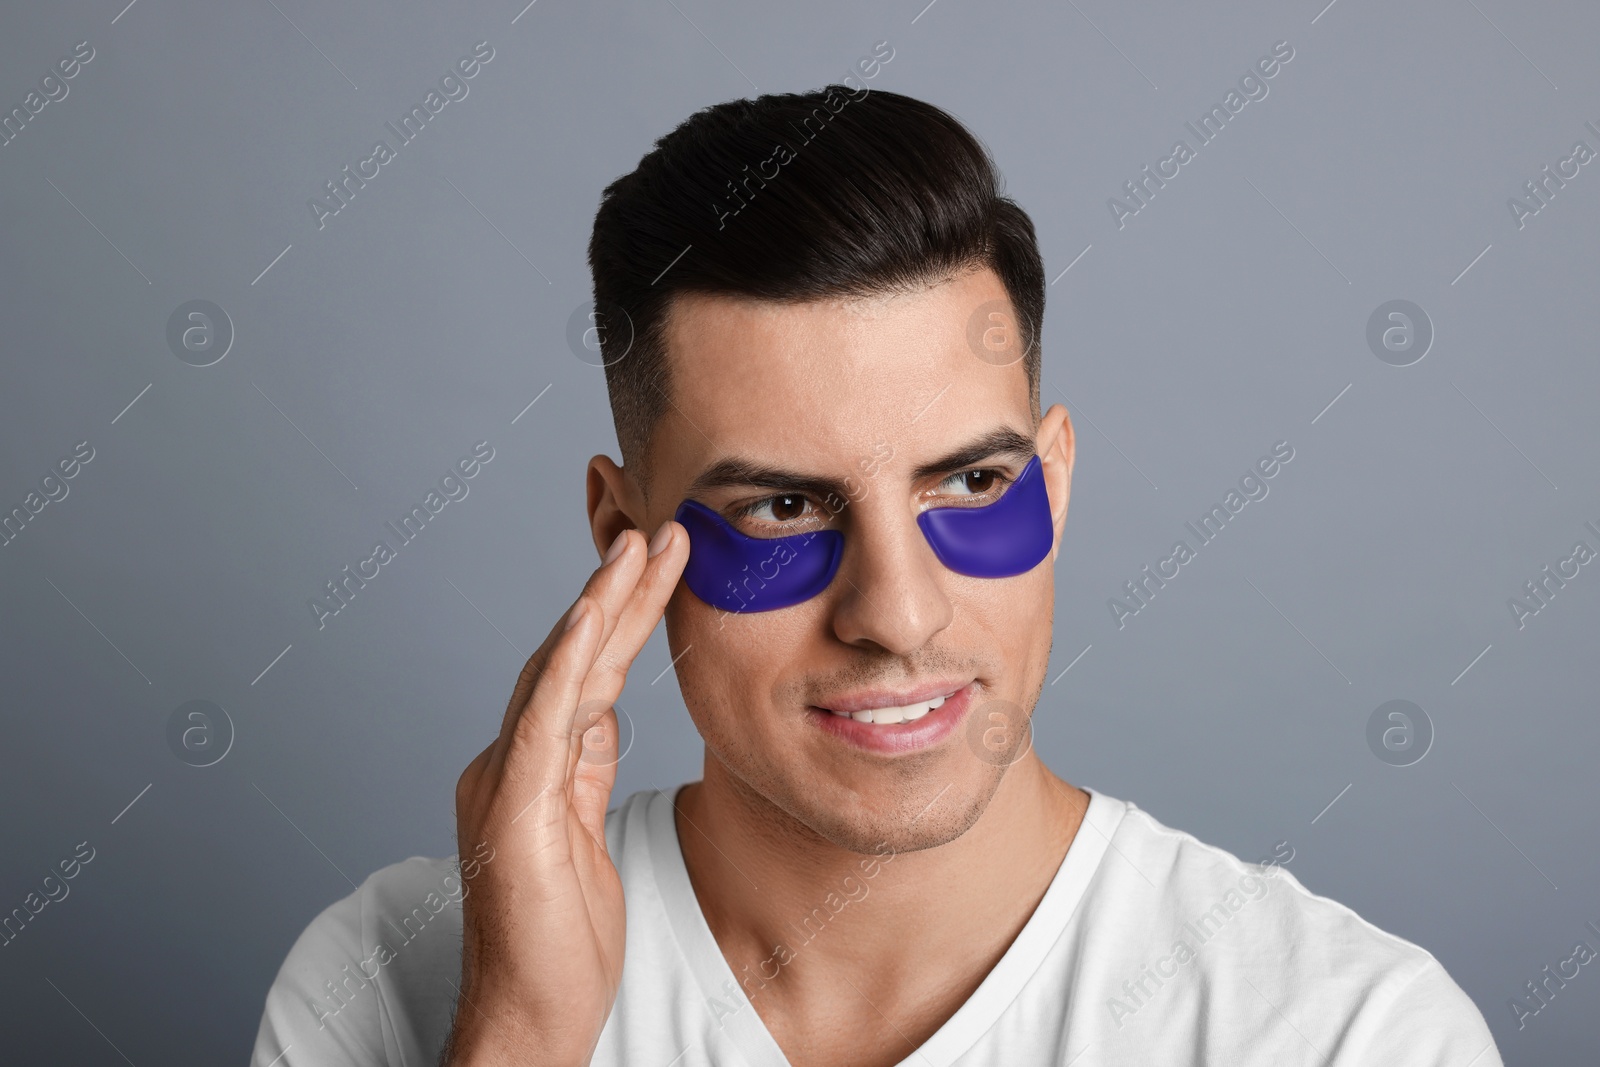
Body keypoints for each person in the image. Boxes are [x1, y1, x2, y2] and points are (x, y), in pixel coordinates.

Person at [251, 85, 1502, 1067]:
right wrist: (522, 1037)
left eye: (968, 484)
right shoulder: (392, 972)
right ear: (620, 532)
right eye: (784, 506)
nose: (896, 614)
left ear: (1053, 482)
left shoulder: (1345, 1029)